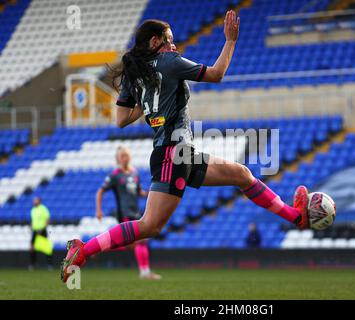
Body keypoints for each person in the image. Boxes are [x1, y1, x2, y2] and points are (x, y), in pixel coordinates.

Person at [61, 11, 312, 282]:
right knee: (150, 225)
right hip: (174, 153)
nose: (174, 45)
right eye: (169, 40)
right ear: (155, 41)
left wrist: (148, 104)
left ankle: (297, 217)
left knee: (242, 175)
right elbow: (216, 74)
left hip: (178, 152)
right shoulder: (169, 61)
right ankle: (83, 250)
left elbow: (121, 119)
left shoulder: (135, 74)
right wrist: (230, 41)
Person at [96, 146, 161, 280]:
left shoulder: (134, 173)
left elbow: (138, 192)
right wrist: (99, 210)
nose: (125, 158)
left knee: (132, 243)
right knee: (139, 241)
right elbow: (100, 191)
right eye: (122, 156)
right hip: (124, 213)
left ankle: (98, 247)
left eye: (126, 155)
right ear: (118, 159)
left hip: (136, 212)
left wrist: (148, 193)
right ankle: (144, 272)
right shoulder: (114, 175)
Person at [30, 197, 53, 270]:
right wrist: (31, 225)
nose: (34, 201)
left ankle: (49, 265)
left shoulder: (43, 209)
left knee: (46, 248)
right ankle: (33, 264)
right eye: (34, 200)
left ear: (39, 201)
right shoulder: (33, 210)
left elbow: (48, 219)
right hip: (35, 230)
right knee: (32, 247)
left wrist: (42, 228)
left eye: (35, 200)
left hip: (42, 230)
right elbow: (33, 220)